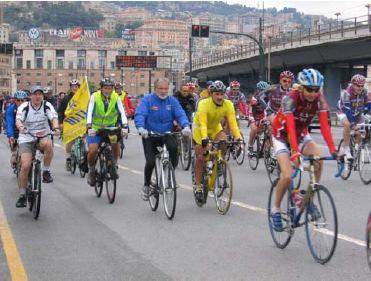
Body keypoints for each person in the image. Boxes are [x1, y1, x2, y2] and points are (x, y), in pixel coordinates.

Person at [270, 68, 337, 230]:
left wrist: (334, 151)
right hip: (281, 136)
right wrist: (294, 151)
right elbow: (290, 127)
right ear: (301, 87)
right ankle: (276, 209)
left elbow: (324, 127)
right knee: (286, 176)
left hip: (300, 135)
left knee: (319, 158)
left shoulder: (320, 100)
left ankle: (307, 198)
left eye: (316, 90)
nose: (313, 94)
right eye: (309, 89)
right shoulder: (289, 99)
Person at [135, 78, 191, 200]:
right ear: (155, 89)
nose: (163, 91)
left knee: (174, 150)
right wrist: (141, 128)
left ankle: (170, 177)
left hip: (167, 133)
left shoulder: (172, 101)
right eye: (160, 88)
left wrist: (185, 125)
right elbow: (140, 114)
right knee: (150, 161)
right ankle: (146, 185)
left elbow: (180, 113)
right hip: (150, 135)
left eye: (166, 89)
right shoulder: (147, 100)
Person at [192, 81, 243, 200]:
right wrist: (204, 138)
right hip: (200, 128)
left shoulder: (228, 104)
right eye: (217, 94)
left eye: (222, 94)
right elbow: (203, 123)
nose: (220, 97)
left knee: (224, 141)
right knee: (201, 156)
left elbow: (233, 124)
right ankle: (198, 186)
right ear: (211, 94)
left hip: (215, 127)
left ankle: (218, 162)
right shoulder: (204, 103)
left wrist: (239, 139)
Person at [15, 85, 60, 208]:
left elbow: (54, 118)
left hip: (42, 135)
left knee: (49, 143)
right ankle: (22, 195)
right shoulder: (24, 107)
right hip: (27, 137)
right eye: (35, 94)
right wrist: (21, 127)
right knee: (25, 166)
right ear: (30, 96)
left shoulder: (47, 105)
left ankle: (45, 171)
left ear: (42, 96)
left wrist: (56, 128)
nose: (37, 96)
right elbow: (18, 120)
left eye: (40, 94)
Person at [86, 77, 129, 186]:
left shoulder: (116, 97)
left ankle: (114, 164)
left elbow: (122, 112)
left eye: (110, 88)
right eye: (105, 88)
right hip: (95, 128)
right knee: (93, 150)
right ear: (101, 88)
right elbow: (89, 111)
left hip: (110, 127)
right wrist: (89, 127)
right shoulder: (94, 97)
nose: (108, 90)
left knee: (115, 144)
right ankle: (91, 170)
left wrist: (125, 126)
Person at [338, 74, 371, 159]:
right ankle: (346, 149)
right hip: (344, 112)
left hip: (358, 114)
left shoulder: (365, 92)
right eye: (357, 85)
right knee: (347, 125)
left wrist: (367, 112)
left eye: (362, 86)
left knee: (361, 132)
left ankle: (356, 148)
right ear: (352, 84)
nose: (360, 88)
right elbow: (347, 109)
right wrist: (352, 124)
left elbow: (368, 104)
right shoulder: (346, 93)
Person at [58, 79, 80, 171]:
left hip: (80, 122)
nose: (74, 88)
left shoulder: (83, 97)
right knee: (69, 141)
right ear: (70, 88)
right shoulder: (66, 98)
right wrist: (60, 123)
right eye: (73, 87)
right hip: (69, 122)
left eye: (76, 87)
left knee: (83, 139)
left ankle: (82, 154)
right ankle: (68, 159)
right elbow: (60, 111)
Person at [6, 90, 28, 169]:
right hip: (15, 132)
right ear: (15, 100)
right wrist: (10, 135)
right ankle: (15, 161)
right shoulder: (11, 109)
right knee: (15, 153)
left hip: (27, 132)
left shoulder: (29, 108)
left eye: (22, 100)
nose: (20, 102)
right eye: (18, 100)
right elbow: (9, 123)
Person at [248, 81, 270, 152]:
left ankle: (266, 146)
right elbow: (251, 111)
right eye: (261, 90)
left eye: (264, 90)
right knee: (254, 129)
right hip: (253, 116)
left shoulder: (268, 98)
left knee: (269, 129)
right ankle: (250, 145)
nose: (263, 92)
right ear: (258, 90)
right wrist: (252, 120)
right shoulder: (254, 98)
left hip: (263, 116)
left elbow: (268, 110)